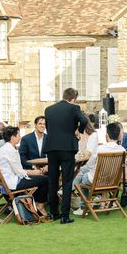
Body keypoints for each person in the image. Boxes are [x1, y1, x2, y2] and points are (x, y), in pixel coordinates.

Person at [43, 87, 88, 224]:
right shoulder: (74, 108)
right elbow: (84, 121)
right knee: (67, 181)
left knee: (53, 181)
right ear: (73, 98)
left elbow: (49, 127)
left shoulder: (48, 109)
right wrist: (78, 130)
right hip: (67, 148)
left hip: (51, 147)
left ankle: (54, 213)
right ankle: (64, 216)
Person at [72, 122, 126, 213]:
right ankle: (88, 199)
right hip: (113, 181)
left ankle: (83, 206)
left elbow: (90, 165)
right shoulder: (122, 150)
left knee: (82, 177)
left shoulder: (100, 149)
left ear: (107, 135)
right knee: (83, 172)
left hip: (96, 181)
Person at [0, 126, 49, 213]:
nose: (20, 137)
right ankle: (40, 206)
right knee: (45, 179)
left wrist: (37, 172)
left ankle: (33, 203)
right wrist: (39, 172)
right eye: (19, 135)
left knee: (39, 178)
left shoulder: (4, 149)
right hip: (13, 183)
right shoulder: (10, 151)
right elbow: (20, 172)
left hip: (6, 182)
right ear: (13, 137)